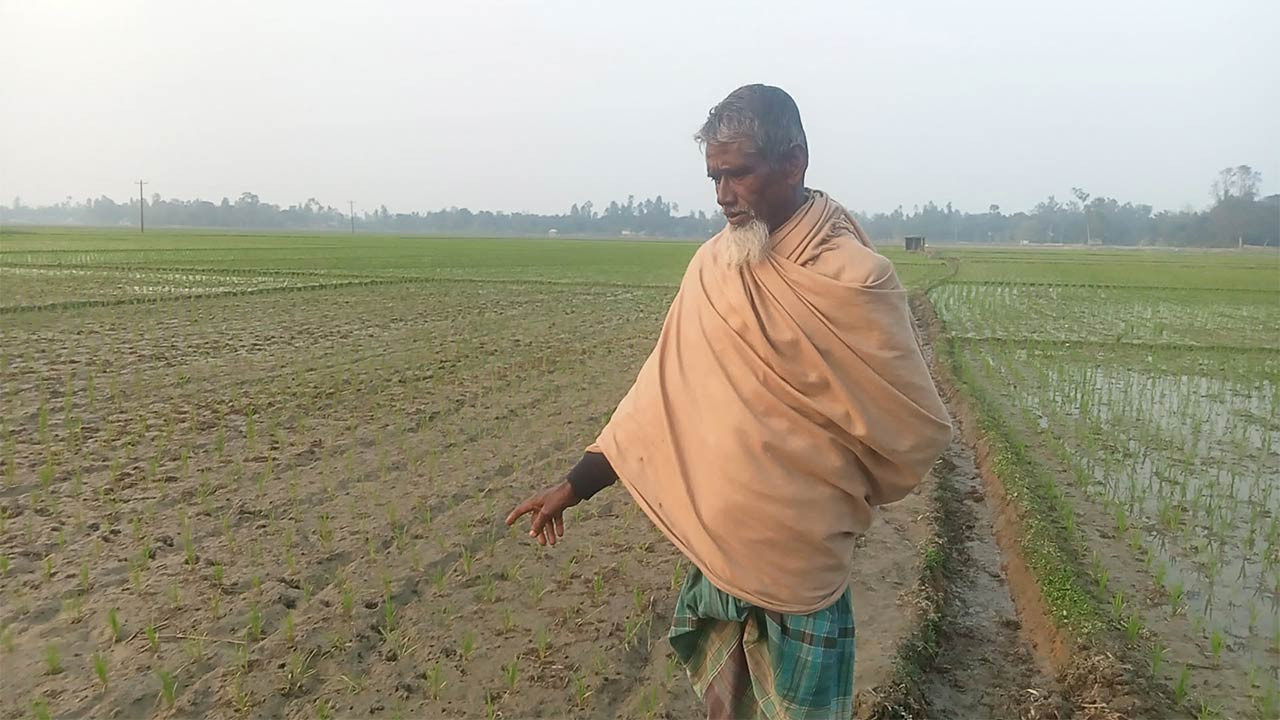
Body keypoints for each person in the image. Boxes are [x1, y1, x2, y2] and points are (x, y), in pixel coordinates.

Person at [506, 84, 952, 720]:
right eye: (714, 177)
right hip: (717, 562)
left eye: (738, 173)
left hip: (803, 571)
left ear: (793, 163)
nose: (722, 195)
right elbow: (655, 400)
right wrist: (573, 486)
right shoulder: (714, 267)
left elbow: (913, 428)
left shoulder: (858, 282)